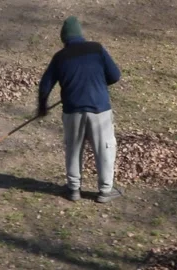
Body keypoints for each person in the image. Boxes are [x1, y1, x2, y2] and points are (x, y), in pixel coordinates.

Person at [37, 16, 122, 203]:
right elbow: (115, 75)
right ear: (80, 34)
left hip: (72, 110)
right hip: (100, 110)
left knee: (73, 149)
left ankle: (74, 189)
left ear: (64, 38)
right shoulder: (97, 49)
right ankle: (105, 191)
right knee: (105, 149)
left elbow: (45, 85)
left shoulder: (59, 57)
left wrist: (42, 107)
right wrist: (99, 82)